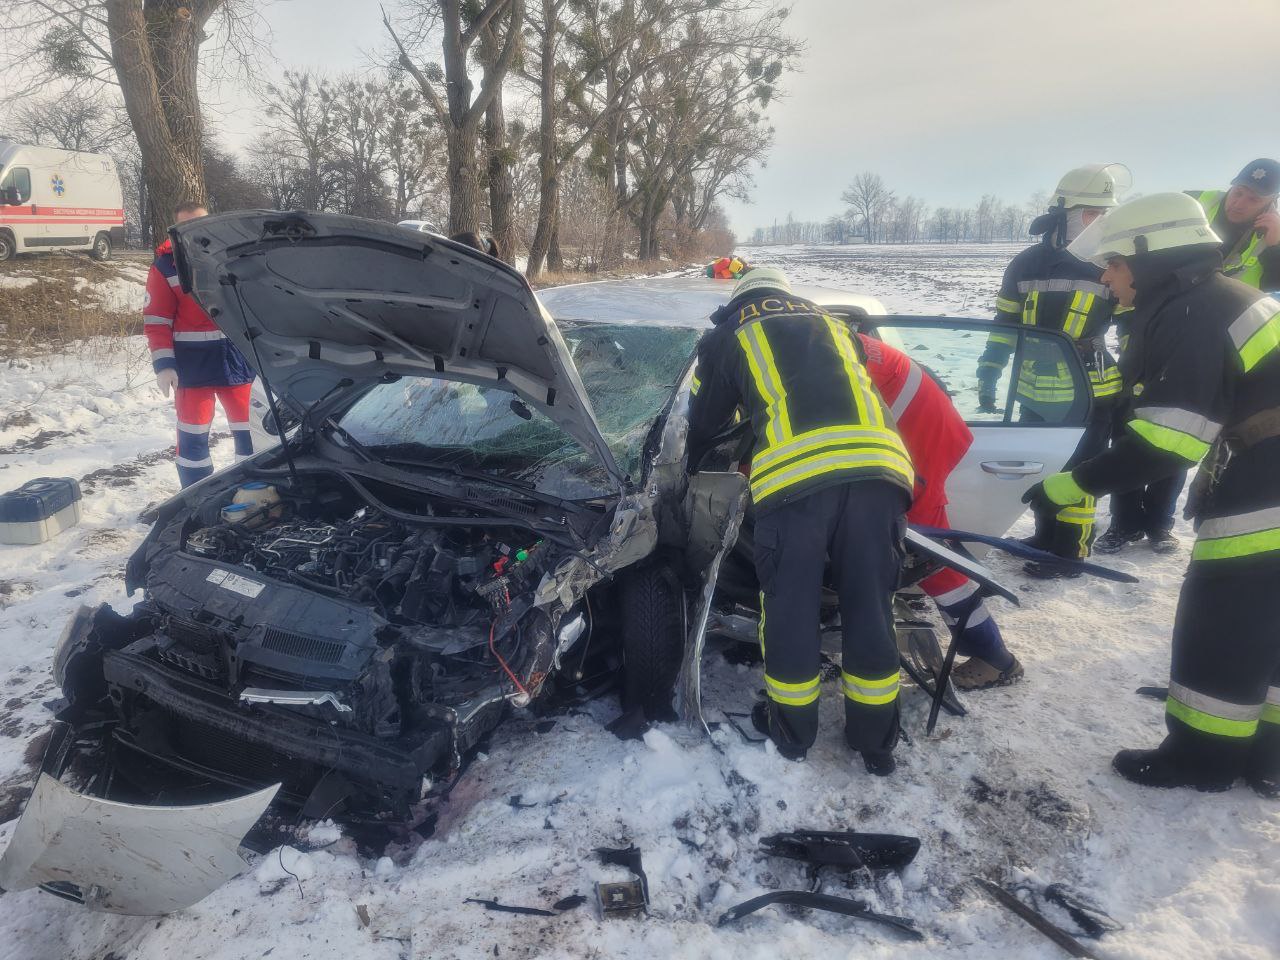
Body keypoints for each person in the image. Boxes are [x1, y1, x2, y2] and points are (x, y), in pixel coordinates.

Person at [1027, 192, 1280, 796]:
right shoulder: (1226, 298)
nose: (1106, 277)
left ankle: (1202, 759)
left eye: (1114, 263)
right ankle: (1267, 757)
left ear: (1149, 255)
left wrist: (1068, 484)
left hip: (1266, 486)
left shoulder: (1193, 311)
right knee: (1271, 622)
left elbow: (1165, 446)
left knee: (1224, 620)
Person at [686, 267, 915, 775]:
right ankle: (876, 742)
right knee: (871, 603)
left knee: (790, 604)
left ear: (740, 298)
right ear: (785, 295)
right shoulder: (833, 324)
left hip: (796, 479)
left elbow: (704, 421)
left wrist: (695, 468)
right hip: (882, 471)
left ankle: (792, 732)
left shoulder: (728, 334)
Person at [1097, 160, 1280, 555]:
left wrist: (1277, 244)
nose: (1241, 202)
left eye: (1254, 198)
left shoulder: (1271, 237)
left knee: (1180, 431)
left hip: (1215, 345)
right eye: (1239, 191)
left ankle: (1159, 524)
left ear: (1270, 204)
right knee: (1132, 424)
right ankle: (1123, 522)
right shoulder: (1193, 205)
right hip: (1151, 328)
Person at [976, 164, 1130, 577]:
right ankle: (1046, 538)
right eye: (1091, 213)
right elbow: (1005, 323)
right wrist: (989, 370)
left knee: (1079, 475)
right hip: (1033, 389)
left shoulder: (1112, 264)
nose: (1098, 223)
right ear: (1062, 213)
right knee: (1047, 469)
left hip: (1091, 389)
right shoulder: (1025, 264)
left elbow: (1137, 324)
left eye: (1104, 214)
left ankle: (1071, 554)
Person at [859, 333, 1020, 688]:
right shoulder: (813, 335)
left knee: (929, 555)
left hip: (918, 439)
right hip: (915, 425)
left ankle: (995, 659)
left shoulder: (798, 349)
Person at [143, 201, 254, 487]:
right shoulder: (165, 266)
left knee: (252, 434)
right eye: (186, 226)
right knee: (193, 440)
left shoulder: (233, 257)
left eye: (200, 224)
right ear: (176, 231)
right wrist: (164, 365)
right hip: (191, 369)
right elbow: (157, 321)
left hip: (238, 362)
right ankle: (196, 497)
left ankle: (254, 492)